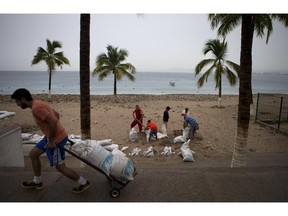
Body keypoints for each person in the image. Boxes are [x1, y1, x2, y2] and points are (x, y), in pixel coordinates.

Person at [11, 88, 90, 193]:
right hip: (50, 137)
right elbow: (56, 115)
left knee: (60, 167)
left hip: (56, 140)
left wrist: (53, 140)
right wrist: (51, 134)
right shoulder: (38, 103)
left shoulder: (36, 108)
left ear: (23, 99)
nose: (17, 104)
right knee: (33, 154)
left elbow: (53, 120)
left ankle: (83, 182)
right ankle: (37, 181)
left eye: (17, 101)